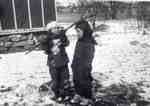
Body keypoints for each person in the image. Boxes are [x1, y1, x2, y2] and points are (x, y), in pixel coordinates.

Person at [71, 20, 97, 105]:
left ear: (85, 31)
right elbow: (76, 53)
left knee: (84, 81)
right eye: (76, 31)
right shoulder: (80, 41)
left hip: (84, 67)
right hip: (76, 66)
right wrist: (73, 64)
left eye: (78, 31)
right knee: (76, 80)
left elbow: (89, 57)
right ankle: (79, 94)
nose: (77, 34)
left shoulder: (89, 43)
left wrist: (85, 67)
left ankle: (87, 97)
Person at [45, 21, 70, 102]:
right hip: (53, 64)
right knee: (55, 80)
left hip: (63, 62)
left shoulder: (62, 36)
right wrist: (45, 42)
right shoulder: (48, 39)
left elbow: (67, 43)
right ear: (50, 30)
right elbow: (45, 48)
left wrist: (63, 35)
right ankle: (56, 94)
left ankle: (64, 94)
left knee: (65, 79)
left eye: (58, 27)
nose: (58, 29)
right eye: (55, 28)